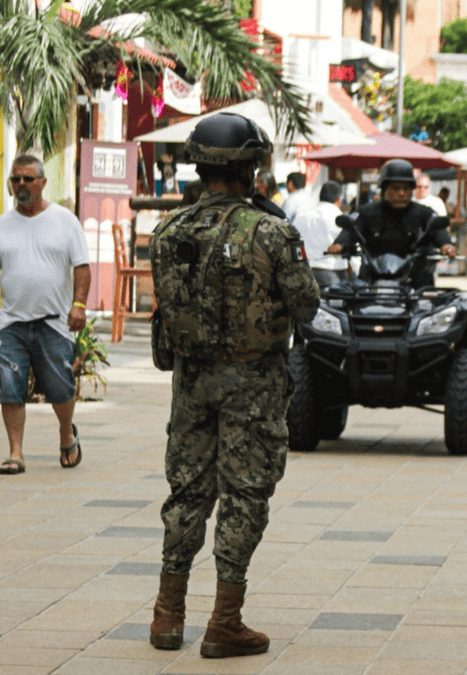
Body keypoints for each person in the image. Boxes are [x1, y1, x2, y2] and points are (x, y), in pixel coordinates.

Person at [148, 112, 320, 658]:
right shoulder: (270, 232)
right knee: (244, 494)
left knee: (187, 493)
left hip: (191, 382)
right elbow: (308, 305)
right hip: (253, 384)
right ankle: (225, 621)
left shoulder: (169, 231)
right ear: (250, 168)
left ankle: (166, 616)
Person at [0, 155, 90, 477]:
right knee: (10, 386)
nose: (21, 185)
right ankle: (15, 452)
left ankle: (66, 434)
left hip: (54, 321)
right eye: (16, 179)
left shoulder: (65, 221)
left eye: (28, 179)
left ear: (42, 182)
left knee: (60, 387)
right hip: (12, 323)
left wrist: (78, 305)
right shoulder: (0, 227)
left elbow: (82, 267)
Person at [327, 159, 455, 288]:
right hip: (372, 280)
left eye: (405, 188)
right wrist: (340, 243)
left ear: (411, 190)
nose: (401, 193)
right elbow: (351, 228)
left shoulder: (424, 213)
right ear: (384, 189)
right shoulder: (367, 212)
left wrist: (446, 244)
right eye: (395, 188)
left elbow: (437, 229)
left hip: (414, 283)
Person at [292, 181, 350, 287]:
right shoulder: (342, 218)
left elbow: (293, 243)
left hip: (304, 271)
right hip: (333, 271)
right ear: (339, 200)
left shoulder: (301, 215)